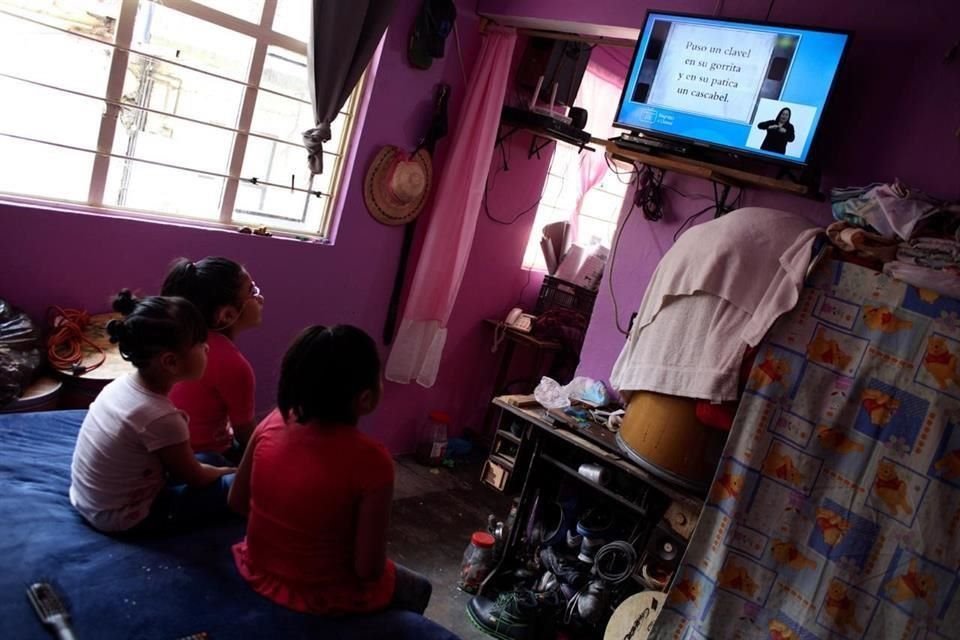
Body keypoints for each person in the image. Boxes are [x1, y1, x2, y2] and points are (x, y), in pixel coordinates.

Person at [228, 325, 432, 616]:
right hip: (322, 595)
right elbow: (367, 570)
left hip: (258, 568)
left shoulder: (273, 420)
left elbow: (236, 501)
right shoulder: (373, 460)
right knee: (419, 587)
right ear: (364, 398)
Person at [70, 291, 235, 534]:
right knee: (236, 485)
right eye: (200, 345)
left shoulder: (120, 385)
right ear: (170, 362)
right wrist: (234, 472)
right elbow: (196, 478)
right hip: (122, 517)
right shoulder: (161, 418)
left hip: (89, 501)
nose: (208, 349)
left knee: (211, 459)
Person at [161, 257, 264, 465]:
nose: (260, 298)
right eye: (251, 292)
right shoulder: (233, 364)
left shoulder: (180, 335)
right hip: (199, 457)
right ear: (227, 315)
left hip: (164, 447)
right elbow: (244, 432)